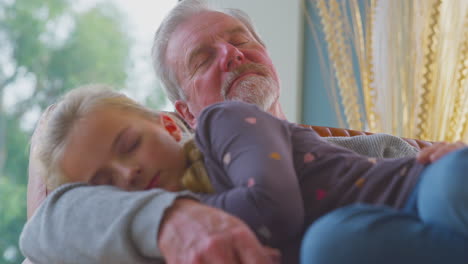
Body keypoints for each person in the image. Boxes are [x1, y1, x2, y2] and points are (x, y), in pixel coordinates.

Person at [20, 0, 433, 263]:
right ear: (183, 115)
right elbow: (42, 228)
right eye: (202, 59)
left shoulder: (379, 149)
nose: (232, 54)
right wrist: (168, 219)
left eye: (240, 40)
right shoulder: (132, 212)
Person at [21, 86, 468, 264]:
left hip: (411, 189)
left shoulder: (222, 122)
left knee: (450, 184)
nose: (129, 172)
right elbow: (38, 235)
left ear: (172, 125)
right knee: (331, 244)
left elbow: (272, 208)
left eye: (129, 145)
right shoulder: (153, 247)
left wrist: (183, 214)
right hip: (364, 243)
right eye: (104, 183)